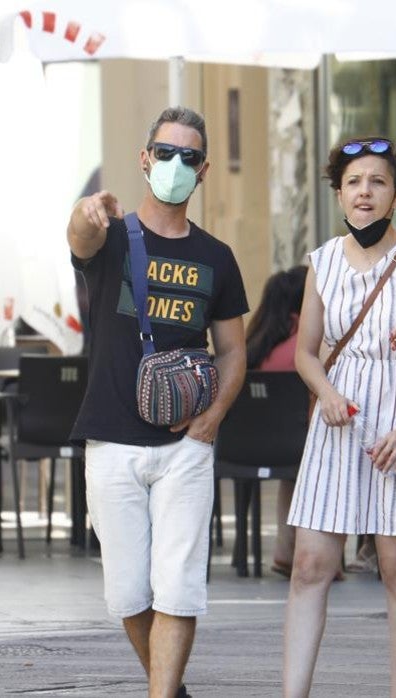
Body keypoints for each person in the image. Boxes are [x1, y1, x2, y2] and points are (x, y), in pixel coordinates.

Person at [66, 106, 249, 698]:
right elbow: (80, 238)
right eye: (165, 153)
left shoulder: (216, 257)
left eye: (188, 157)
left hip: (184, 447)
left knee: (178, 589)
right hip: (111, 439)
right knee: (127, 594)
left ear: (204, 170)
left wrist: (212, 419)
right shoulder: (113, 238)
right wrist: (85, 212)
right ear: (145, 159)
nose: (175, 165)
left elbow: (233, 351)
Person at [283, 136, 396, 698]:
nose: (365, 192)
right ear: (339, 194)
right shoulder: (322, 262)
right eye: (354, 182)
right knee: (310, 564)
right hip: (338, 425)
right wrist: (326, 392)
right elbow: (306, 352)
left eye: (378, 182)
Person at [243, 265, 309, 576]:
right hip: (298, 448)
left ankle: (285, 550)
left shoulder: (254, 346)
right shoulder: (306, 348)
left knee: (291, 470)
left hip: (245, 450)